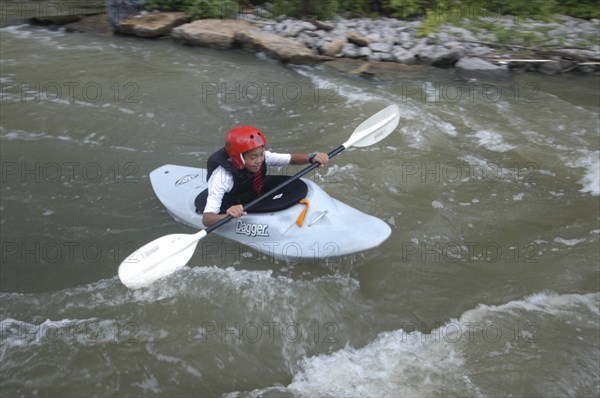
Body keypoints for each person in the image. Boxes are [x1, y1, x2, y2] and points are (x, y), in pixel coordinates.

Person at [202, 125, 329, 226]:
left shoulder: (262, 157)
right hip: (230, 206)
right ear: (238, 158)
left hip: (253, 195)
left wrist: (312, 158)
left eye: (261, 154)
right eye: (253, 157)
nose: (259, 160)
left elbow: (291, 159)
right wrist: (228, 215)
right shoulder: (222, 177)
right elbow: (207, 219)